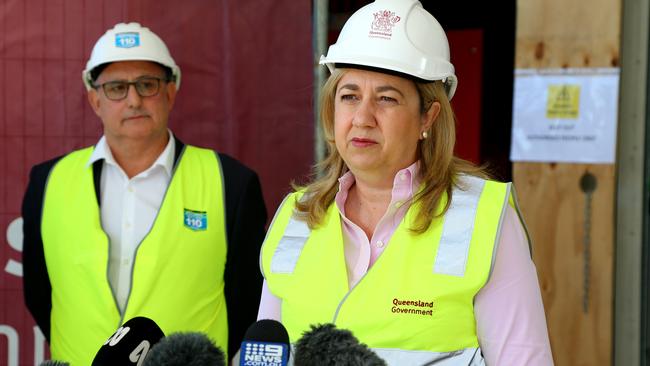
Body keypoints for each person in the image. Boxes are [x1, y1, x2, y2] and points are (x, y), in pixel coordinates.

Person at [257, 0, 553, 365]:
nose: (362, 118)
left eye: (386, 99)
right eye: (349, 96)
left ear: (427, 117)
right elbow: (266, 353)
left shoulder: (483, 219)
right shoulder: (297, 215)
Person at [21, 22, 267, 365]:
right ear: (95, 99)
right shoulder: (48, 181)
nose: (133, 100)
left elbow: (249, 297)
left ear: (170, 91)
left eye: (147, 85)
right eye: (116, 88)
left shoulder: (232, 183)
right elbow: (39, 292)